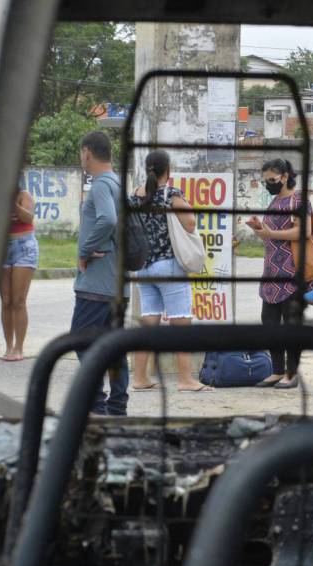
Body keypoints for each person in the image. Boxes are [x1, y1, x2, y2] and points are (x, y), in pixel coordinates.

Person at [128, 149, 213, 393]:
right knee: (181, 324)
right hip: (169, 266)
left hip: (144, 268)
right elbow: (190, 223)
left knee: (149, 323)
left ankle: (140, 377)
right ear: (168, 170)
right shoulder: (171, 194)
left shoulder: (135, 195)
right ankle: (186, 379)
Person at [72, 131, 130, 415]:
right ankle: (118, 405)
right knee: (115, 347)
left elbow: (107, 218)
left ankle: (97, 404)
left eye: (81, 153)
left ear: (87, 152)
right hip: (118, 284)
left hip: (97, 283)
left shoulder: (100, 185)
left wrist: (85, 250)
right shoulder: (119, 183)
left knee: (82, 341)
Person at [245, 158, 309, 389]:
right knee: (269, 322)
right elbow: (268, 235)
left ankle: (292, 374)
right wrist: (259, 229)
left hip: (291, 271)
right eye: (265, 181)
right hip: (271, 271)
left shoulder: (298, 199)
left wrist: (272, 233)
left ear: (284, 176)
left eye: (271, 180)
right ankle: (276, 371)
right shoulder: (274, 201)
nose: (268, 184)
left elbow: (304, 231)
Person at [2, 185, 37, 361]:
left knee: (18, 301)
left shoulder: (24, 195)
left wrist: (12, 203)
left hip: (24, 247)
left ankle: (19, 348)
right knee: (6, 301)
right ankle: (8, 347)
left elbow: (28, 217)